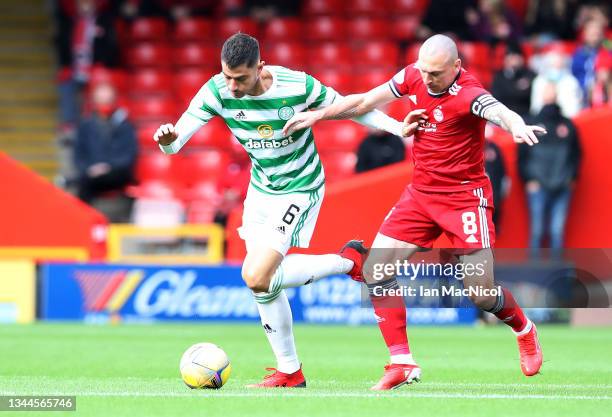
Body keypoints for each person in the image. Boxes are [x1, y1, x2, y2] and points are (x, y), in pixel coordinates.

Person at [283, 34, 545, 390]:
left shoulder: (468, 93)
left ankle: (524, 329)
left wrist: (517, 126)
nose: (428, 79)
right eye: (424, 71)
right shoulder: (413, 76)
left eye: (436, 73)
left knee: (480, 293)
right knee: (376, 269)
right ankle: (402, 362)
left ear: (456, 67)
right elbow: (362, 102)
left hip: (465, 199)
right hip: (421, 195)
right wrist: (317, 116)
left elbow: (498, 111)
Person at [153, 33, 403, 388]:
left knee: (256, 275)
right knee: (263, 285)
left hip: (300, 187)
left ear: (260, 67)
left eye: (241, 77)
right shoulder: (216, 91)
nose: (233, 86)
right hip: (261, 190)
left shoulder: (296, 85)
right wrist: (167, 142)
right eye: (227, 76)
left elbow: (351, 107)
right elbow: (176, 143)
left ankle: (348, 262)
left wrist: (398, 129)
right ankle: (290, 371)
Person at [519, 82, 581, 260]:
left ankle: (556, 281)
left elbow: (576, 154)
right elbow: (522, 155)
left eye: (552, 89)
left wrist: (571, 178)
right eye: (546, 90)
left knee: (556, 232)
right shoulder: (531, 122)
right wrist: (528, 179)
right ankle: (533, 281)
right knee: (537, 231)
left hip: (562, 186)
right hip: (537, 186)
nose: (549, 93)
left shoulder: (567, 125)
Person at [74, 82, 137, 205]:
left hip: (117, 173)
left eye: (107, 100)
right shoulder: (85, 126)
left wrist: (108, 167)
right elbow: (79, 155)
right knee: (82, 184)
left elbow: (129, 155)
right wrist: (90, 169)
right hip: (91, 175)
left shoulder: (124, 125)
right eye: (101, 100)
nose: (104, 104)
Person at [531, 51, 583, 118]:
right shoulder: (539, 81)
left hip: (566, 119)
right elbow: (535, 107)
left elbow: (574, 108)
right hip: (542, 119)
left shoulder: (571, 81)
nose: (556, 69)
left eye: (559, 65)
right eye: (553, 65)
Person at [491, 42, 535, 117]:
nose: (514, 59)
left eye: (516, 56)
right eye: (511, 56)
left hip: (525, 116)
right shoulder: (499, 76)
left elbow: (529, 96)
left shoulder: (530, 75)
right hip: (504, 116)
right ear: (505, 59)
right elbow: (497, 98)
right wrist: (517, 89)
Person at [571, 19, 606, 103]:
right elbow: (573, 74)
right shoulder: (578, 54)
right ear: (585, 34)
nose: (595, 37)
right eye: (592, 34)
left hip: (604, 91)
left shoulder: (608, 51)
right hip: (581, 92)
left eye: (597, 33)